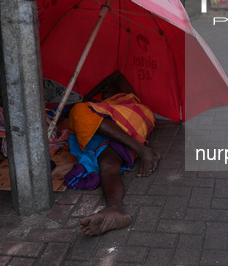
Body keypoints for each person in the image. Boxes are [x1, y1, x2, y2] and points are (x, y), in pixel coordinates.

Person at [66, 70, 160, 236]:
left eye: (110, 89)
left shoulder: (129, 97)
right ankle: (114, 209)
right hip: (120, 134)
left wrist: (87, 97)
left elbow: (116, 75)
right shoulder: (101, 108)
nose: (106, 91)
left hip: (132, 117)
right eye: (104, 91)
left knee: (79, 110)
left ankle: (142, 150)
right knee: (108, 164)